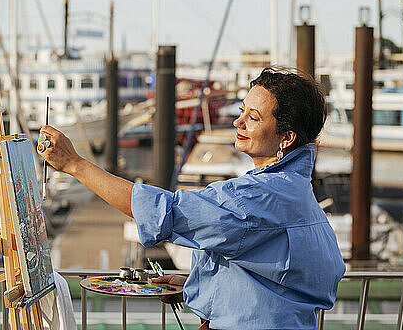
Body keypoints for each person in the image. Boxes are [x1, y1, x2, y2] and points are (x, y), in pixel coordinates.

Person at [37, 68, 345, 329]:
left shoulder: (260, 197)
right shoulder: (297, 193)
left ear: (286, 137)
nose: (238, 123)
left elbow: (163, 211)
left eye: (253, 118)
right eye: (241, 113)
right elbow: (282, 280)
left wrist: (73, 165)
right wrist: (196, 285)